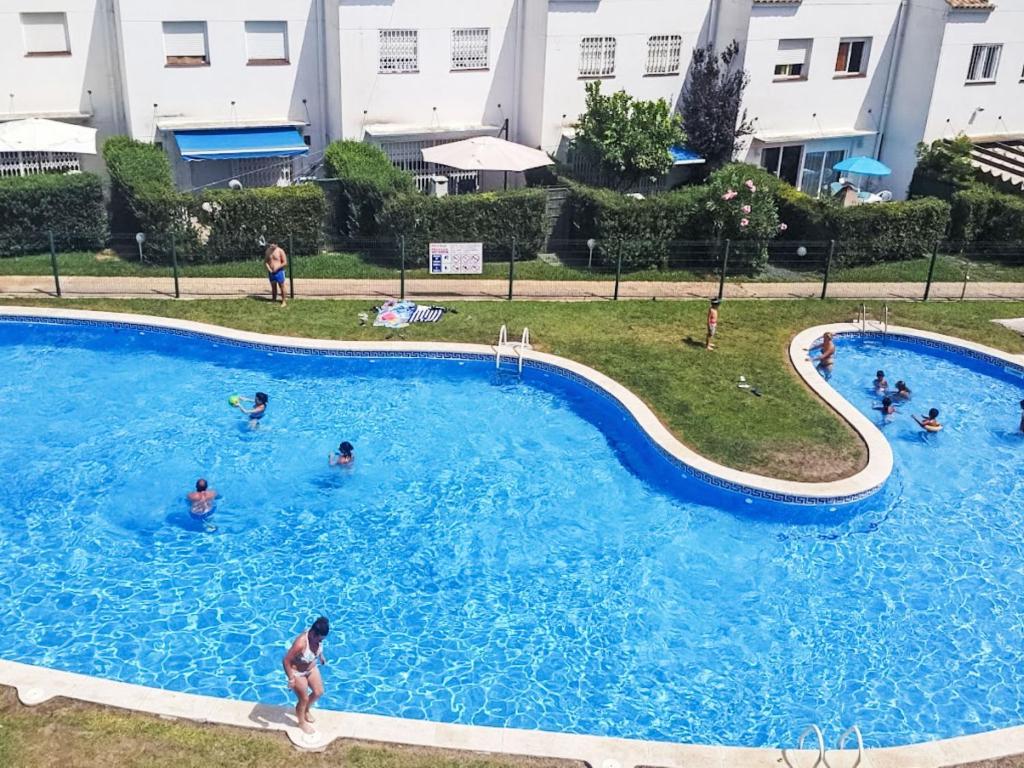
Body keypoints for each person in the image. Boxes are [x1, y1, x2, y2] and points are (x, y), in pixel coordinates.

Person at [283, 616, 329, 734]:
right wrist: (291, 678)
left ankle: (306, 710)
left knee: (318, 692)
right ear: (312, 634)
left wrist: (321, 656)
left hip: (311, 668)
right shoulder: (300, 644)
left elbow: (318, 647)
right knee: (304, 699)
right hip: (298, 673)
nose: (320, 642)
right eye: (319, 639)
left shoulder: (317, 637)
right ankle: (301, 722)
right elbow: (286, 660)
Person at [264, 243, 288, 308]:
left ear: (276, 244)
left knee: (281, 286)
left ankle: (284, 301)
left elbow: (285, 262)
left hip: (279, 271)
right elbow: (266, 261)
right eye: (271, 243)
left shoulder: (280, 251)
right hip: (271, 272)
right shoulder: (268, 251)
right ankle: (273, 300)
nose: (272, 245)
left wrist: (277, 268)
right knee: (273, 286)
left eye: (274, 244)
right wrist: (269, 269)